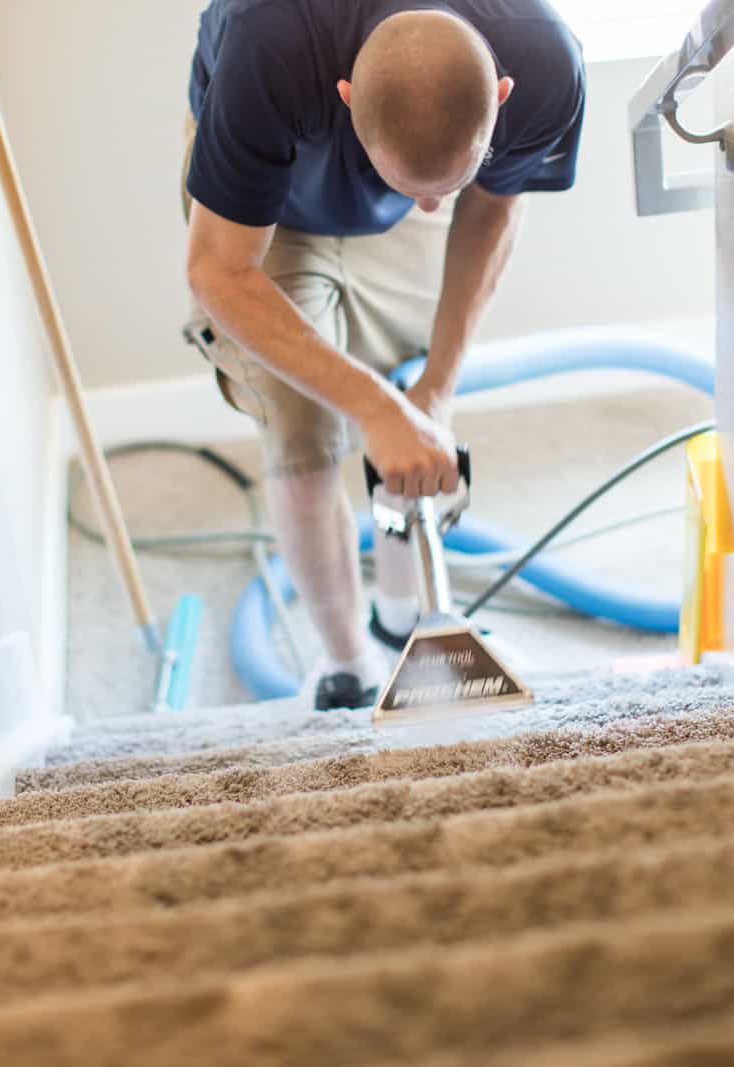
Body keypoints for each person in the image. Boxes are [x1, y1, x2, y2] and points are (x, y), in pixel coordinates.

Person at [183, 0, 586, 709]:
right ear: (344, 96)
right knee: (304, 418)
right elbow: (219, 270)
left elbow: (489, 209)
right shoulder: (266, 46)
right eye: (417, 191)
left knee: (409, 386)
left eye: (446, 188)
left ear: (502, 92)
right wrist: (373, 409)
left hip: (398, 153)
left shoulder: (546, 57)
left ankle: (402, 617)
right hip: (265, 195)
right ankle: (346, 665)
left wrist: (437, 388)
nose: (431, 210)